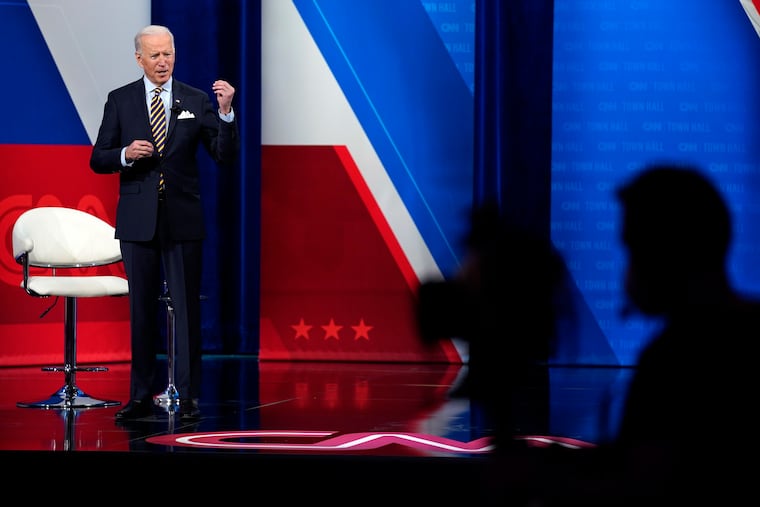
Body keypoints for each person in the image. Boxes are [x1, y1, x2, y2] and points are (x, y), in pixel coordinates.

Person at [508, 164, 760, 505]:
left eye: (634, 249)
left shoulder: (674, 359)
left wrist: (539, 482)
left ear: (666, 254)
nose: (630, 268)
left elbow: (644, 488)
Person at [90, 24, 239, 421]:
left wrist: (225, 115)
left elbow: (222, 156)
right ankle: (139, 396)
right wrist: (125, 153)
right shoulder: (120, 100)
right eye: (154, 55)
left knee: (187, 310)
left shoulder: (195, 98)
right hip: (138, 221)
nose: (163, 62)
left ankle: (188, 396)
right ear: (139, 58)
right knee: (141, 311)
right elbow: (98, 158)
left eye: (168, 54)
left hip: (183, 219)